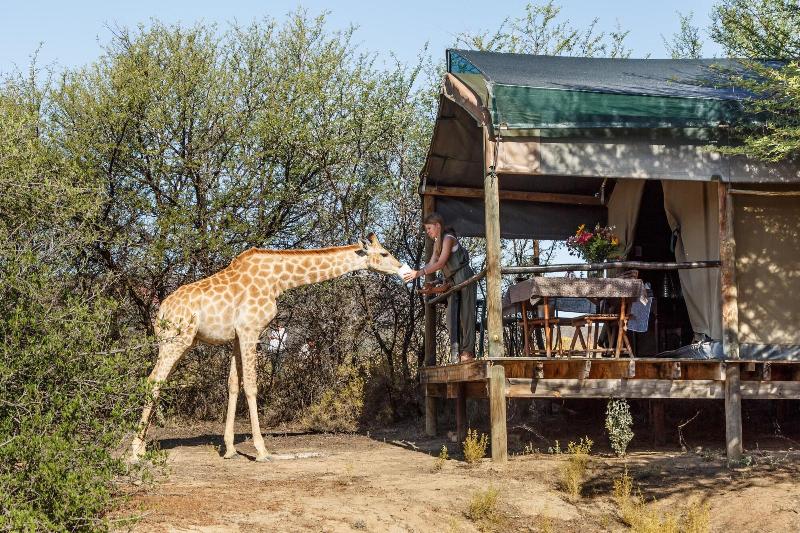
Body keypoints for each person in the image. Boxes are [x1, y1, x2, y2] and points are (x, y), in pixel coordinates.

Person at [403, 212, 477, 363]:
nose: (428, 232)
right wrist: (429, 282)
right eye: (427, 229)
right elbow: (431, 264)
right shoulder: (437, 242)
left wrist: (419, 273)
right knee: (451, 319)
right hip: (451, 282)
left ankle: (467, 352)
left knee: (466, 315)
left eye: (429, 228)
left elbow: (441, 263)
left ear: (438, 226)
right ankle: (458, 352)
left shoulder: (448, 238)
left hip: (464, 277)